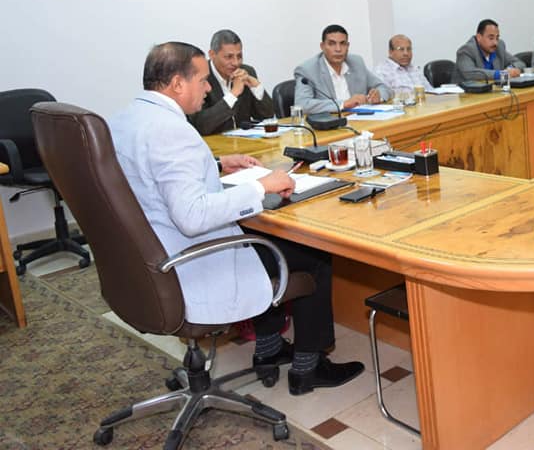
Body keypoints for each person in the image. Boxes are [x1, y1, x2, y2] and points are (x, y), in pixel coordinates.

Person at [110, 42, 364, 395]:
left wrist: (216, 164)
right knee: (312, 254)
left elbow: (153, 172)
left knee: (268, 243)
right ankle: (309, 367)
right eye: (202, 80)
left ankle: (270, 347)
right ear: (178, 84)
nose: (208, 88)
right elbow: (192, 216)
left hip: (149, 260)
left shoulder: (125, 120)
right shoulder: (172, 130)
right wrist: (261, 186)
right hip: (190, 263)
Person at [187, 29, 275, 135]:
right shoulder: (201, 78)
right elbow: (201, 126)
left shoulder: (246, 72)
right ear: (212, 54)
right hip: (214, 143)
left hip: (244, 142)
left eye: (239, 56)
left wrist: (256, 87)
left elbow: (267, 116)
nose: (236, 63)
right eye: (229, 57)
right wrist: (233, 94)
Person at [295, 24, 391, 114]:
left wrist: (378, 96)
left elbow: (383, 87)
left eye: (343, 44)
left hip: (360, 119)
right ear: (322, 46)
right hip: (331, 123)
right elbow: (302, 104)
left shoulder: (356, 63)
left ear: (348, 46)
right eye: (332, 44)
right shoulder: (307, 70)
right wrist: (343, 104)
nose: (338, 49)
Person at [452, 19, 525, 82]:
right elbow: (471, 74)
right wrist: (501, 74)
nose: (495, 42)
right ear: (479, 37)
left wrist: (510, 69)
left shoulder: (499, 47)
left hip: (492, 91)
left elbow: (520, 63)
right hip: (466, 93)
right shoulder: (466, 51)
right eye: (491, 38)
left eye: (497, 38)